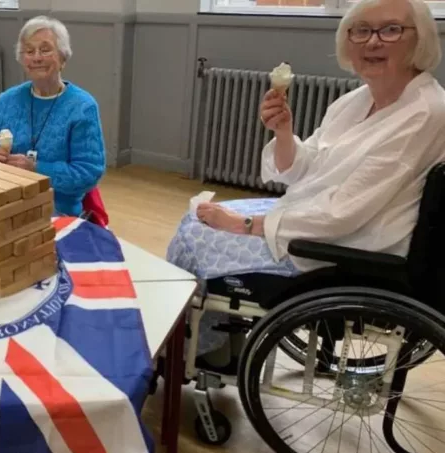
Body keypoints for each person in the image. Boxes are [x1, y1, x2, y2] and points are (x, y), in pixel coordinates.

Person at [167, 0, 445, 362]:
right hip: (313, 217)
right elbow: (304, 167)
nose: (372, 42)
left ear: (419, 39)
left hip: (348, 248)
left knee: (196, 239)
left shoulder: (424, 112)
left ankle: (200, 349)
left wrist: (246, 225)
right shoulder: (357, 101)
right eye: (360, 30)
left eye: (390, 29)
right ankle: (211, 338)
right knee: (196, 219)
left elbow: (343, 214)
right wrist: (283, 132)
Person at [0, 16, 105, 217]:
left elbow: (88, 174)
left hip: (56, 212)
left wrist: (36, 169)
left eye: (45, 50)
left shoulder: (82, 107)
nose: (36, 58)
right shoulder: (8, 100)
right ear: (23, 60)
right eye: (29, 51)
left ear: (63, 58)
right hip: (4, 203)